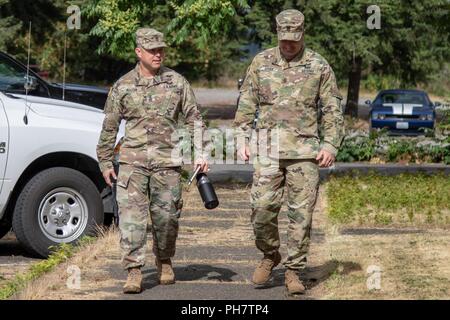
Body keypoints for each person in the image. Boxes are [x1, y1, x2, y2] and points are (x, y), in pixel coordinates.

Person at [233, 9, 345, 295]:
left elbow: (332, 109)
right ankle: (270, 254)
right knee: (261, 210)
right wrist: (241, 138)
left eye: (294, 39)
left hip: (305, 152)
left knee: (301, 216)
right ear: (278, 34)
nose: (289, 45)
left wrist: (330, 144)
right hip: (267, 150)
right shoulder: (261, 62)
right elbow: (247, 102)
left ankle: (294, 271)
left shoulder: (319, 66)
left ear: (302, 34)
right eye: (284, 39)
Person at [97, 28, 208, 294]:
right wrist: (104, 161)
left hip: (168, 163)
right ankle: (134, 270)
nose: (158, 54)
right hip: (133, 164)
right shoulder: (123, 86)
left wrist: (201, 152)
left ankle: (165, 259)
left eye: (161, 50)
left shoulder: (177, 82)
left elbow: (194, 119)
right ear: (139, 52)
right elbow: (109, 127)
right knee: (131, 220)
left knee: (167, 218)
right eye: (152, 50)